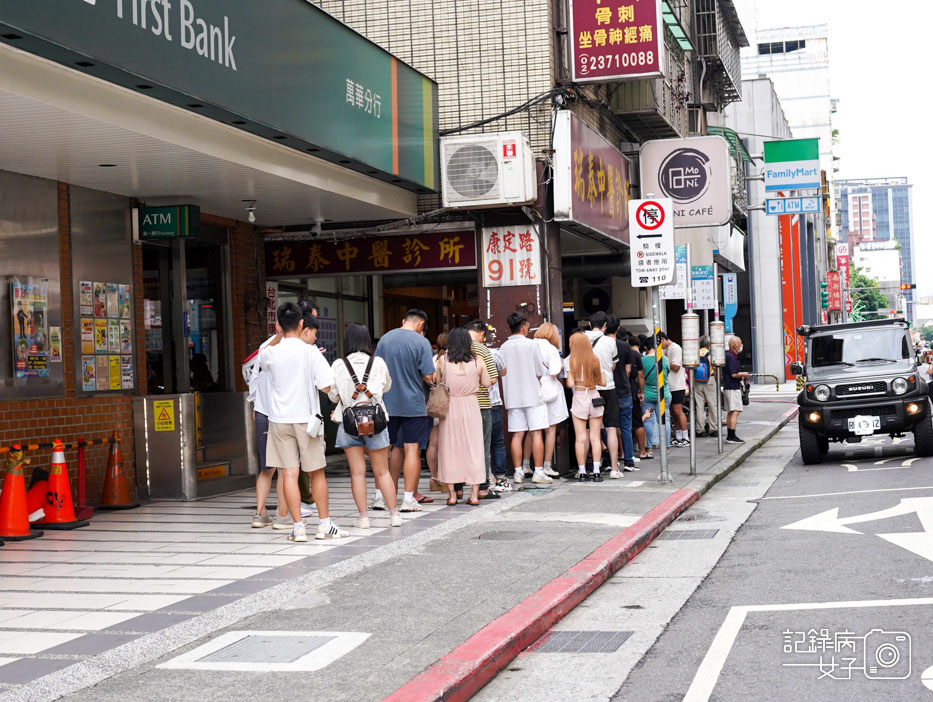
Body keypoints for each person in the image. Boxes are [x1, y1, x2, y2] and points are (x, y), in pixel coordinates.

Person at [260, 303, 344, 542]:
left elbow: (265, 355)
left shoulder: (271, 353)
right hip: (307, 421)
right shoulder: (310, 352)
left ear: (278, 325)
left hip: (278, 421)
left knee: (288, 474)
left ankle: (298, 528)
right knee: (317, 473)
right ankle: (325, 525)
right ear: (301, 324)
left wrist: (279, 333)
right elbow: (327, 387)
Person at [328, 323, 403, 529]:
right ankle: (394, 515)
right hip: (375, 420)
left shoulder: (338, 364)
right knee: (382, 471)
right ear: (366, 340)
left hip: (349, 421)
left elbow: (333, 395)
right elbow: (386, 386)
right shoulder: (377, 362)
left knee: (357, 472)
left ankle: (363, 518)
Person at [374, 309, 436, 512]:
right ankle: (408, 499)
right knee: (411, 450)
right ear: (420, 325)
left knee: (386, 449)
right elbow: (428, 375)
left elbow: (376, 370)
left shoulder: (385, 339)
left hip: (387, 404)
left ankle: (380, 496)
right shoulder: (421, 342)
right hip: (413, 404)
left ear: (403, 321)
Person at [436, 327, 495, 505]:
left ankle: (453, 495)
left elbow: (437, 381)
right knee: (474, 450)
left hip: (450, 408)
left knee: (450, 450)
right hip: (471, 406)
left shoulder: (442, 360)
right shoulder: (478, 361)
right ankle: (475, 495)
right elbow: (486, 383)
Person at [499, 312, 550, 485]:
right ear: (523, 326)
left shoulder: (503, 347)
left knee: (517, 434)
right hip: (533, 395)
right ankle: (539, 471)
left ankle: (518, 472)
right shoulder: (531, 345)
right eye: (527, 325)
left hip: (512, 396)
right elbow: (539, 371)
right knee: (536, 433)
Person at [466, 320, 502, 498]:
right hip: (481, 405)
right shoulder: (482, 350)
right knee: (482, 446)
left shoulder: (453, 349)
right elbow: (493, 379)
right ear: (481, 334)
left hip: (459, 406)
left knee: (461, 447)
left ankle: (457, 488)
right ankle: (482, 487)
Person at [565, 331, 607, 481]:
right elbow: (603, 382)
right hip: (594, 396)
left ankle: (582, 472)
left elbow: (570, 384)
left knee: (580, 438)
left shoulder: (571, 361)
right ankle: (596, 471)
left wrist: (575, 378)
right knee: (595, 438)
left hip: (580, 397)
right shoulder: (595, 359)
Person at [585, 312, 620, 476]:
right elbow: (613, 365)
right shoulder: (610, 342)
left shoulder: (581, 340)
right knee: (611, 429)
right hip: (608, 388)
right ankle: (614, 468)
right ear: (605, 325)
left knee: (587, 431)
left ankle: (584, 469)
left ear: (589, 324)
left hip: (588, 390)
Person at [533, 322, 568, 479]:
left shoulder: (531, 345)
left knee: (532, 430)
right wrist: (561, 366)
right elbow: (554, 371)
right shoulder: (551, 348)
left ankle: (526, 465)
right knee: (550, 429)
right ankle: (546, 465)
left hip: (532, 389)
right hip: (549, 391)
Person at [607, 316, 635, 477]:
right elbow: (629, 370)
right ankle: (629, 461)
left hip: (607, 390)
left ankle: (610, 460)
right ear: (618, 329)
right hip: (624, 389)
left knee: (608, 426)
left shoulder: (601, 345)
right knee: (626, 427)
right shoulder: (625, 346)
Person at [426, 332, 448, 494]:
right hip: (449, 404)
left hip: (435, 403)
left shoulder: (433, 359)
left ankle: (433, 477)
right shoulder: (451, 359)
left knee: (433, 443)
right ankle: (445, 478)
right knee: (447, 443)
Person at [642, 336, 672, 455]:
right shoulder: (664, 359)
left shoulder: (643, 360)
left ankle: (649, 447)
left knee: (648, 421)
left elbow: (641, 377)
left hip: (648, 395)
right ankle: (667, 446)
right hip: (664, 394)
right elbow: (667, 374)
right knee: (665, 420)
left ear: (646, 347)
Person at [659, 331, 689, 448]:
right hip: (669, 385)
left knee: (678, 411)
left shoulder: (675, 348)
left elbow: (676, 367)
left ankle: (685, 436)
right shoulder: (665, 350)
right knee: (672, 412)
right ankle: (678, 436)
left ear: (662, 339)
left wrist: (663, 360)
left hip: (677, 385)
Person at [724, 336, 750, 444]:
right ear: (734, 345)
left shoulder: (729, 356)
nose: (741, 345)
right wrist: (744, 374)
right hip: (732, 387)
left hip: (729, 386)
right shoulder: (731, 357)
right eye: (740, 343)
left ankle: (730, 435)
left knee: (731, 411)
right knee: (735, 410)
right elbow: (734, 374)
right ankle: (731, 435)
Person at [693, 335, 718, 437]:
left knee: (699, 406)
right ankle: (713, 429)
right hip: (709, 380)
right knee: (712, 405)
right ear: (708, 344)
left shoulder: (695, 354)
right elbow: (715, 368)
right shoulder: (710, 355)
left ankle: (700, 429)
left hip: (697, 381)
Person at [628, 335, 648, 463]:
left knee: (619, 425)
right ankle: (642, 451)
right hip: (631, 390)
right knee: (637, 422)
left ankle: (623, 453)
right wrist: (641, 392)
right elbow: (641, 376)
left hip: (616, 391)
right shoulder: (636, 355)